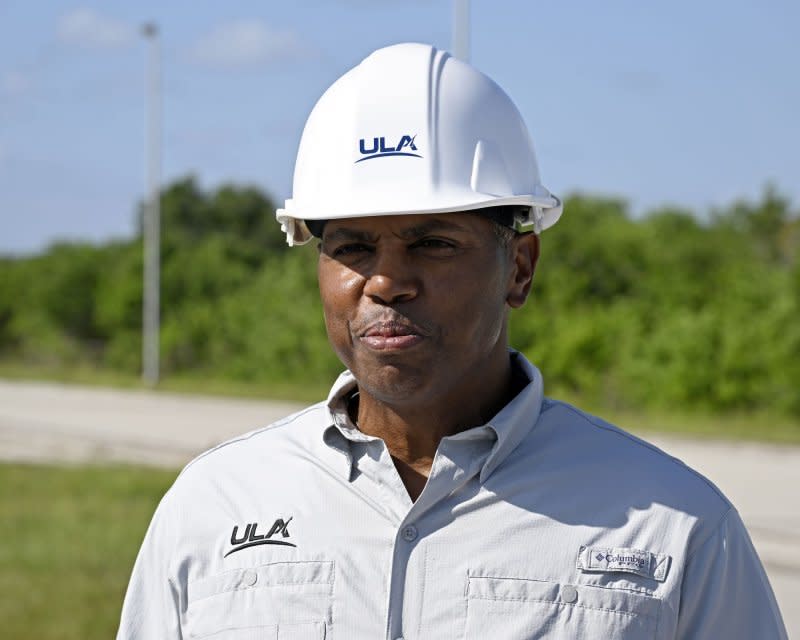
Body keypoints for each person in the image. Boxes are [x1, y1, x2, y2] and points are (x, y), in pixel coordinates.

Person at [117, 43, 787, 639]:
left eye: (433, 244)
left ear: (518, 268)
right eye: (351, 246)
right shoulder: (216, 505)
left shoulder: (674, 528)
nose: (386, 281)